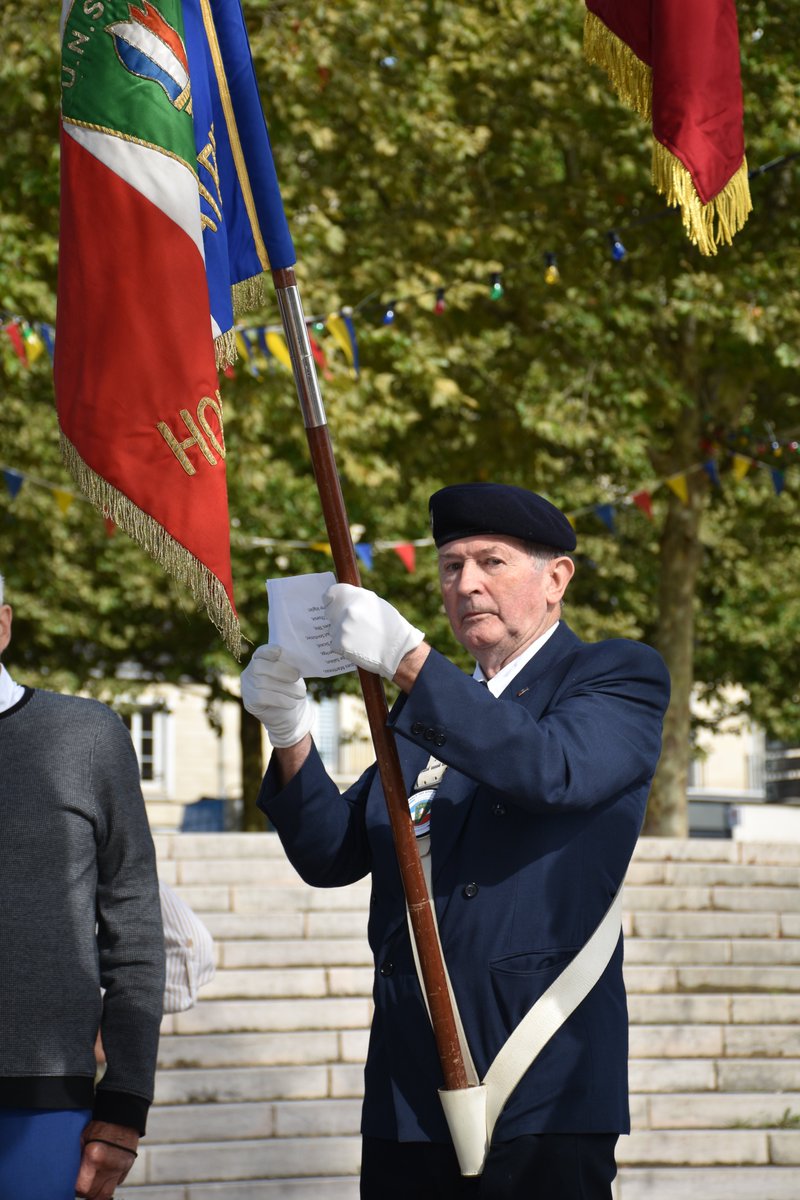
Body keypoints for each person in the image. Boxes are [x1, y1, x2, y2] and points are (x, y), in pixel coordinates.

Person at [240, 482, 670, 1200]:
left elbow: (549, 770)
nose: (466, 583)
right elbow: (333, 851)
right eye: (449, 567)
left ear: (556, 577)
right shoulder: (428, 709)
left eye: (491, 562)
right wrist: (290, 734)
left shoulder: (614, 676)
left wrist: (411, 662)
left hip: (540, 1074)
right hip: (410, 1083)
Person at [0, 574, 166, 1200]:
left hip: (43, 1104)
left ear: (3, 625)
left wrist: (125, 1100)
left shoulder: (86, 736)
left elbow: (135, 923)